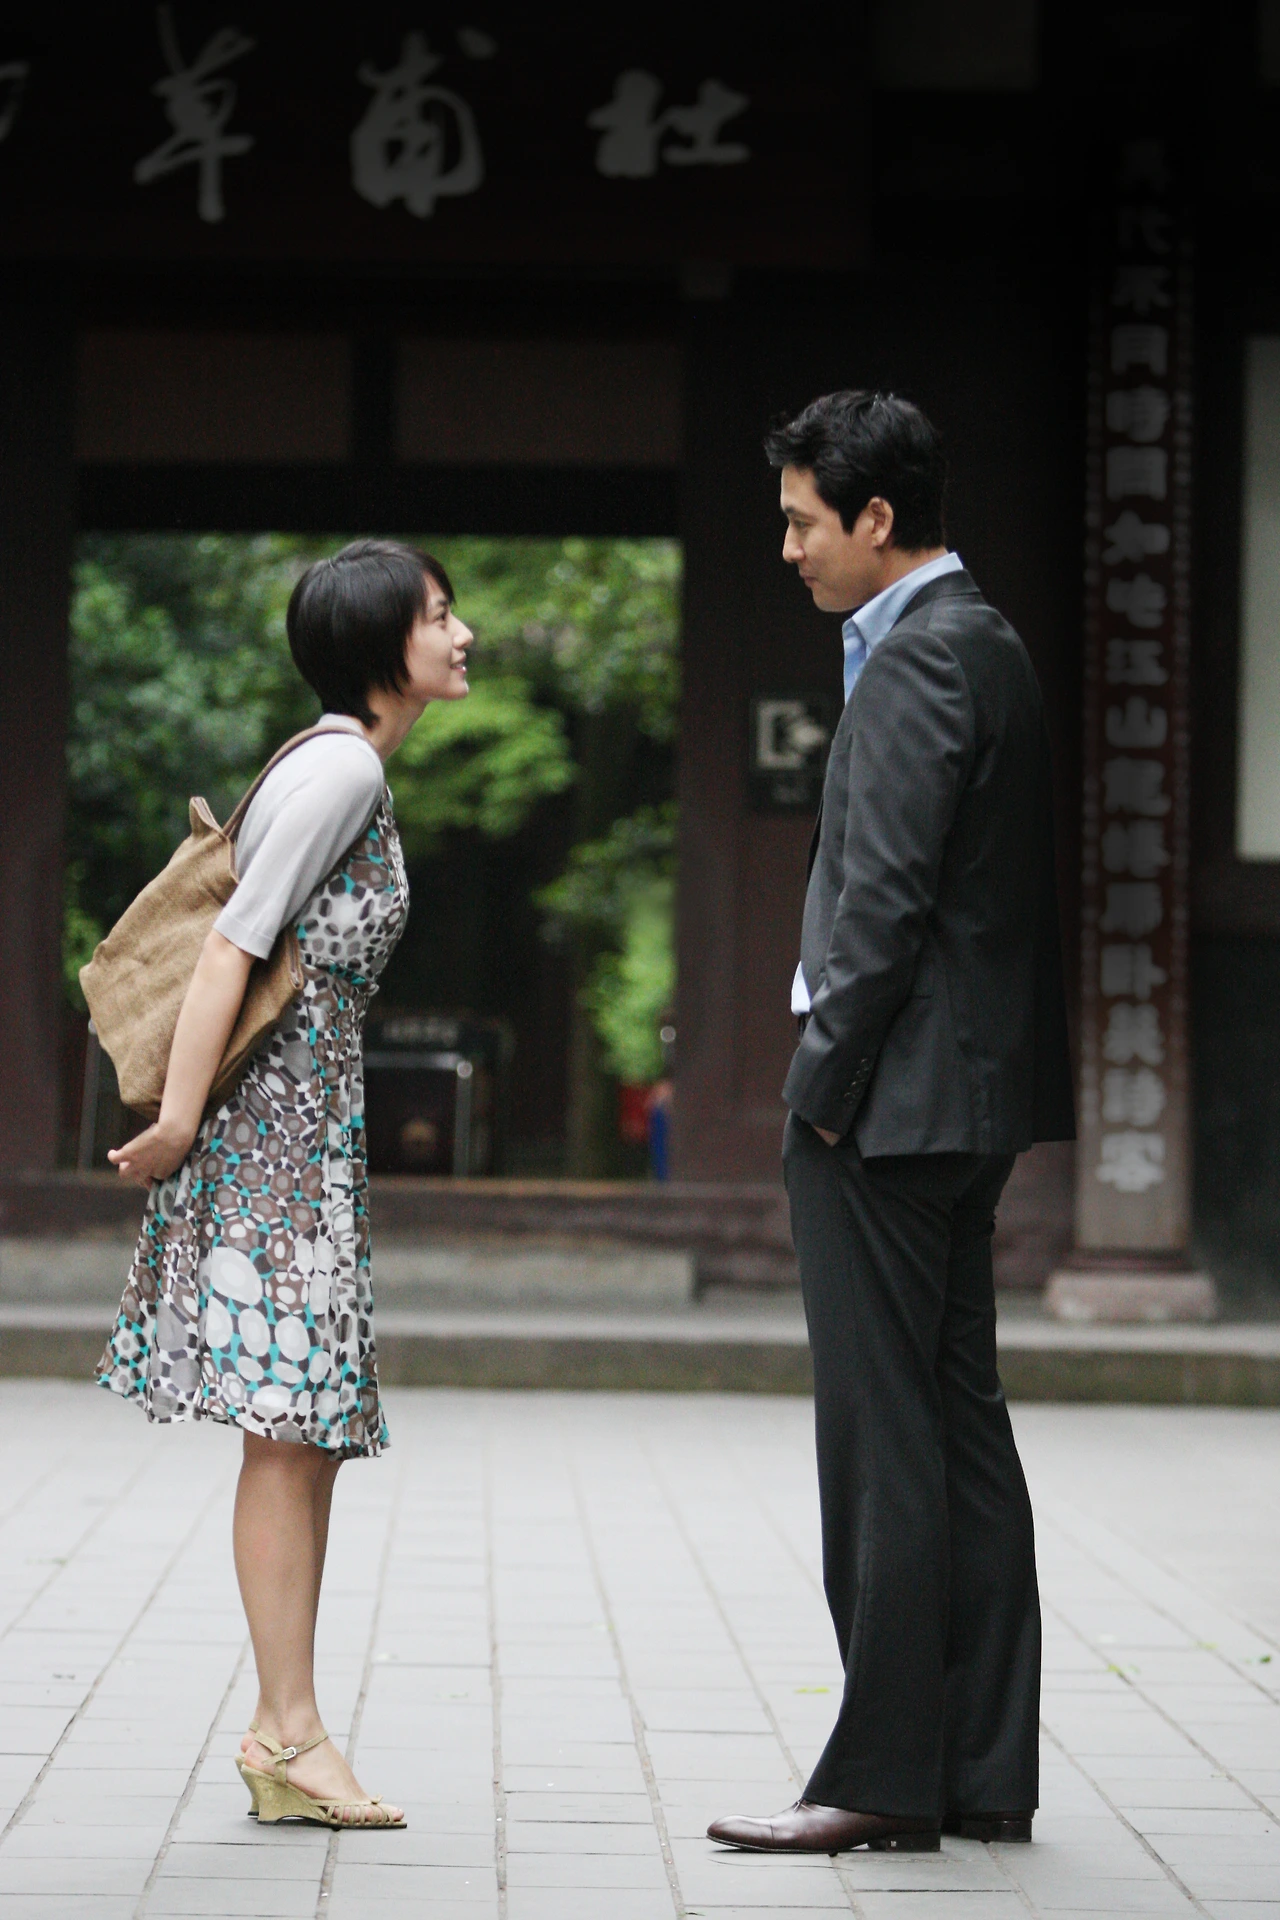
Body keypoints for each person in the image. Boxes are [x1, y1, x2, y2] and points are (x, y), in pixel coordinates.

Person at [708, 392, 1075, 1856]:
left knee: (884, 1439)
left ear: (876, 517)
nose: (788, 547)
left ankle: (879, 1777)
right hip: (960, 1102)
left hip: (891, 1105)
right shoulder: (983, 641)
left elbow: (887, 905)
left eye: (803, 520)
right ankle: (979, 1772)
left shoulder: (923, 655)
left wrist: (822, 1087)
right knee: (957, 1423)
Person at [98, 540, 474, 1830]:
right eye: (439, 615)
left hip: (301, 1139)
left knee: (302, 1431)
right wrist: (177, 1119)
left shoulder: (342, 765)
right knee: (286, 1430)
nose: (462, 634)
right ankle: (290, 1732)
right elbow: (231, 946)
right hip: (269, 1141)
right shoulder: (344, 767)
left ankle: (286, 1730)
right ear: (381, 645)